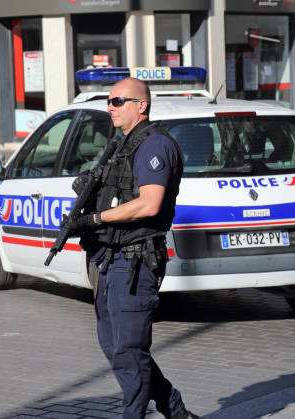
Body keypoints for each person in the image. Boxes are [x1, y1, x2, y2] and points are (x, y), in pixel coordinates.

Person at [70, 78, 198, 419]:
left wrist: (96, 218)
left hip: (137, 261)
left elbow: (150, 204)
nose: (110, 107)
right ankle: (174, 407)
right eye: (109, 101)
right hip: (112, 259)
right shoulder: (122, 144)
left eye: (118, 101)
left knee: (129, 348)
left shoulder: (155, 145)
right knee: (115, 346)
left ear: (141, 105)